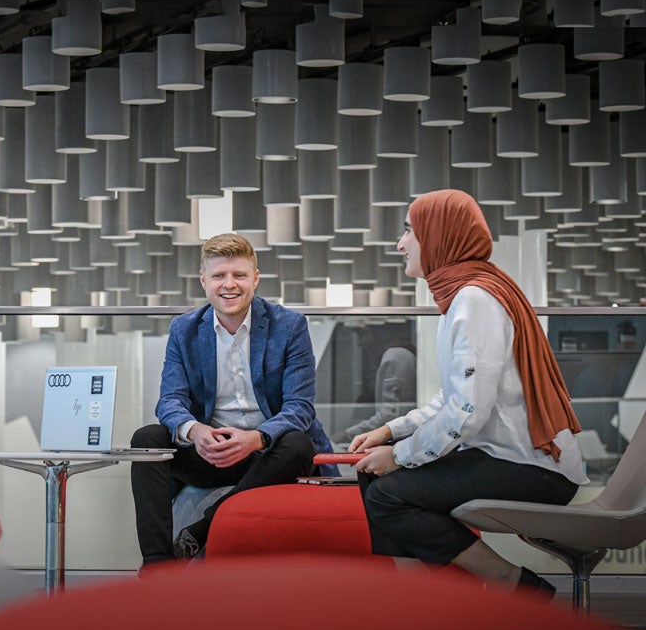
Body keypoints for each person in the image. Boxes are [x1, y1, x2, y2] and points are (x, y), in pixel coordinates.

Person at [349, 188, 585, 598]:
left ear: (439, 235)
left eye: (409, 230)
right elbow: (450, 398)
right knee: (374, 479)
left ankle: (516, 584)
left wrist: (400, 455)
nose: (400, 244)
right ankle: (423, 601)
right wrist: (390, 432)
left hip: (535, 468)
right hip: (510, 458)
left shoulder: (474, 299)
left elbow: (467, 413)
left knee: (388, 494)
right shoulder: (462, 294)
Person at [130, 232, 334, 566]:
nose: (230, 285)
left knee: (299, 443)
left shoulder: (289, 325)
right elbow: (170, 400)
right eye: (219, 275)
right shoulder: (185, 329)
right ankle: (156, 564)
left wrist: (256, 438)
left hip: (267, 455)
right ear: (203, 280)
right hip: (211, 453)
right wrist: (196, 432)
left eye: (239, 275)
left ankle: (206, 525)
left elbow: (300, 407)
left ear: (255, 278)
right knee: (146, 439)